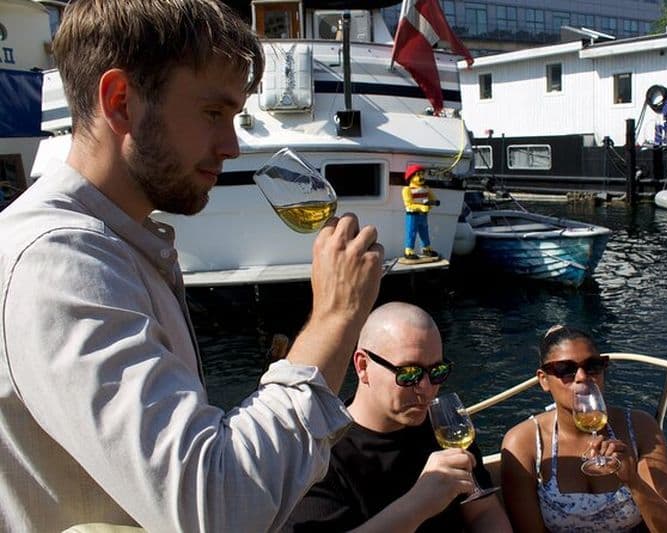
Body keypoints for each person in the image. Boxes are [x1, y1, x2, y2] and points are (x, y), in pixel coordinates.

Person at [0, 1, 384, 531]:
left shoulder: (115, 246)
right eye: (213, 113)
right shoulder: (60, 263)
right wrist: (336, 318)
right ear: (121, 102)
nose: (231, 146)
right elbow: (218, 507)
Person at [283, 302, 512, 532]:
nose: (426, 388)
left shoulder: (445, 429)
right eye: (409, 374)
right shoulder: (320, 456)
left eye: (437, 371)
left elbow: (483, 512)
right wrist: (419, 503)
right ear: (363, 366)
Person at [501, 325, 667, 533]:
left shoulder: (640, 428)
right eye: (565, 369)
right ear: (544, 380)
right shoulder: (524, 443)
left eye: (592, 366)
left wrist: (634, 482)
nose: (582, 376)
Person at [402, 164, 440, 260]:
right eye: (418, 174)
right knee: (411, 232)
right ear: (411, 176)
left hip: (423, 215)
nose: (421, 177)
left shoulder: (426, 188)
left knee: (424, 232)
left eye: (422, 174)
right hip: (412, 215)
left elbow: (433, 198)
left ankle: (426, 248)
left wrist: (434, 202)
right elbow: (409, 205)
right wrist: (422, 207)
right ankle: (409, 250)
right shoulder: (407, 190)